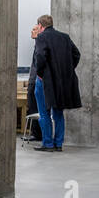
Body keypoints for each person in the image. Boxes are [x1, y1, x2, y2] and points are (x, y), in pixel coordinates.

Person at [30, 15, 81, 152]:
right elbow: (76, 54)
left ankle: (48, 143)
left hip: (45, 81)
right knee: (58, 112)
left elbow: (40, 57)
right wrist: (67, 69)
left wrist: (41, 74)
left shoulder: (41, 37)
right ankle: (58, 143)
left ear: (40, 26)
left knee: (44, 113)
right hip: (61, 81)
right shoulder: (64, 37)